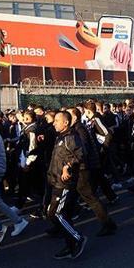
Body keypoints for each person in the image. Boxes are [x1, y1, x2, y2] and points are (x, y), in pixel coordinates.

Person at [67, 107, 117, 237]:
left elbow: (82, 148)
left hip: (84, 168)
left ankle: (107, 223)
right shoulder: (76, 128)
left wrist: (103, 149)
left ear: (75, 117)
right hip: (84, 167)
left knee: (91, 197)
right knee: (85, 195)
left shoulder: (80, 129)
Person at [47, 111, 87, 259]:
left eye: (57, 120)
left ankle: (77, 238)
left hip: (64, 183)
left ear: (66, 123)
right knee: (62, 214)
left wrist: (68, 166)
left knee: (55, 214)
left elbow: (81, 155)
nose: (54, 123)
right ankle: (70, 244)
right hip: (56, 180)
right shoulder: (61, 137)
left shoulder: (71, 137)